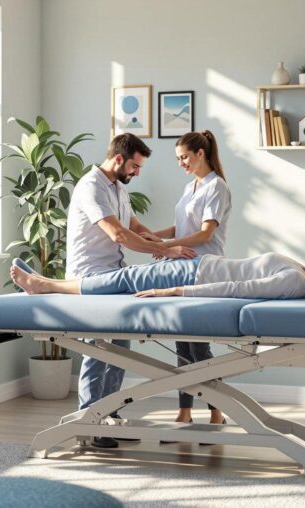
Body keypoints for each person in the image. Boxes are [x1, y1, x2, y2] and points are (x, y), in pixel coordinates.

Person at [65, 133, 196, 449]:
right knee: (98, 350)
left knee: (120, 348)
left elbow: (134, 227)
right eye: (136, 166)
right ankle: (89, 421)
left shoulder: (118, 189)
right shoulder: (90, 187)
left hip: (113, 276)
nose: (138, 173)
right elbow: (118, 234)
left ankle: (109, 414)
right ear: (120, 159)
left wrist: (159, 243)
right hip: (90, 278)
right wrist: (166, 252)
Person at [139, 131, 231, 432]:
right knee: (182, 345)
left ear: (200, 154)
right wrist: (156, 237)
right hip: (180, 267)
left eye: (184, 158)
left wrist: (166, 247)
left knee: (199, 348)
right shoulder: (190, 186)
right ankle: (184, 410)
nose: (181, 163)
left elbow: (205, 234)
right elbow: (181, 225)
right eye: (178, 159)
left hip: (203, 269)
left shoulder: (216, 186)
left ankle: (217, 411)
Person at [10, 253, 305, 302]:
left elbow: (237, 288)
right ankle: (47, 284)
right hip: (198, 263)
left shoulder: (294, 282)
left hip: (194, 272)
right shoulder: (302, 277)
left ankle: (45, 286)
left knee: (125, 278)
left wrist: (171, 290)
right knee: (125, 277)